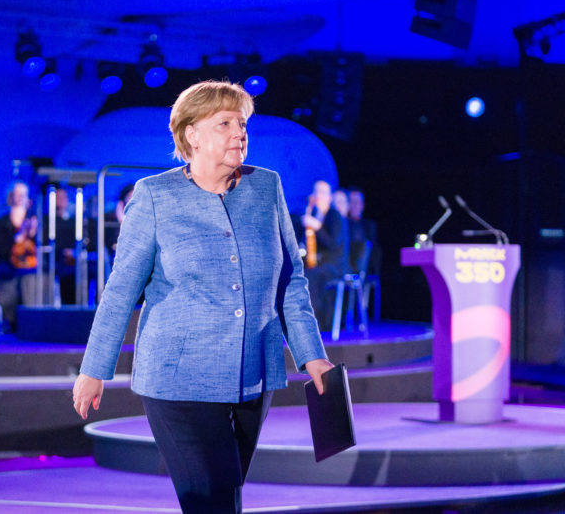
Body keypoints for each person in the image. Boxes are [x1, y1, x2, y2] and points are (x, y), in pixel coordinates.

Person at [73, 80, 333, 514]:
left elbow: (290, 281)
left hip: (254, 375)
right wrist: (94, 369)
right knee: (212, 502)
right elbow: (120, 290)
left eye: (243, 123)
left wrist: (312, 355)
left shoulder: (266, 187)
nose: (240, 133)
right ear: (191, 134)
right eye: (225, 123)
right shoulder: (155, 196)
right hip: (179, 378)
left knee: (225, 497)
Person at [301, 180, 351, 330]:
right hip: (320, 264)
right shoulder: (316, 214)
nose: (319, 196)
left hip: (335, 265)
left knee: (312, 276)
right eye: (316, 192)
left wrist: (316, 226)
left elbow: (332, 243)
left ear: (330, 197)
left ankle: (319, 324)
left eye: (323, 192)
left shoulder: (334, 215)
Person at [0, 181, 40, 331]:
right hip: (9, 267)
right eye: (16, 194)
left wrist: (34, 235)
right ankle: (11, 322)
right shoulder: (1, 222)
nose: (20, 198)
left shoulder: (36, 220)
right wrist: (18, 237)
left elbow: (45, 248)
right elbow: (0, 250)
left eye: (23, 195)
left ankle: (33, 321)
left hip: (33, 268)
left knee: (32, 278)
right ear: (10, 197)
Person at [347, 186, 379, 274]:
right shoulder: (344, 224)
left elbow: (374, 251)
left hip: (365, 269)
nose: (355, 205)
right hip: (346, 266)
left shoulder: (369, 226)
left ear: (362, 205)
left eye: (358, 202)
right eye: (352, 202)